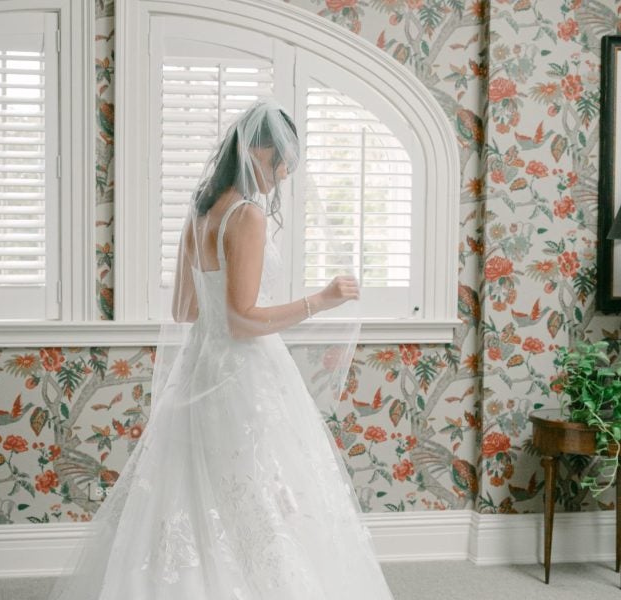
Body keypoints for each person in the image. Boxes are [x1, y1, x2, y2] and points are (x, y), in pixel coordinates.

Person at [47, 98, 394, 599]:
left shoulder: (201, 211)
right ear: (256, 152)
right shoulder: (247, 216)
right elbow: (242, 320)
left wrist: (219, 304)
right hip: (245, 375)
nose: (282, 176)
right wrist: (321, 300)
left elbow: (184, 311)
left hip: (200, 368)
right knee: (256, 489)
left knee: (195, 489)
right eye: (280, 162)